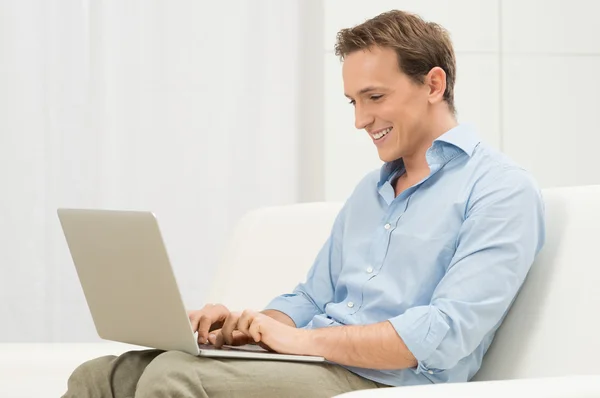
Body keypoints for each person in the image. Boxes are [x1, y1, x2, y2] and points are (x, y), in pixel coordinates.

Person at [62, 9, 545, 398]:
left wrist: (303, 342)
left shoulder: (500, 189)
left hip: (388, 380)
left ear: (433, 85)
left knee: (173, 380)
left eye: (374, 96)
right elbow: (312, 298)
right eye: (352, 101)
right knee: (100, 377)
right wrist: (249, 328)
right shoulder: (370, 192)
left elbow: (445, 332)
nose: (360, 119)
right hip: (315, 358)